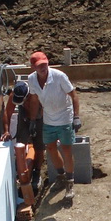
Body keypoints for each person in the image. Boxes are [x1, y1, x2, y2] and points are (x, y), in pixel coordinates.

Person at [27, 51, 81, 190]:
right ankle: (61, 175)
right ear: (33, 67)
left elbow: (73, 96)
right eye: (39, 66)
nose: (43, 68)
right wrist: (33, 120)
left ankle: (70, 181)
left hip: (64, 117)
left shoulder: (59, 76)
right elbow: (33, 99)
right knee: (50, 148)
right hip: (49, 119)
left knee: (66, 149)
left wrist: (76, 117)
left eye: (45, 64)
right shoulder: (32, 79)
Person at [1, 80, 44, 193]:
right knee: (20, 144)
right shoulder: (14, 94)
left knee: (39, 147)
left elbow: (47, 111)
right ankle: (19, 171)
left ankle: (37, 172)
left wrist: (35, 123)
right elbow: (8, 113)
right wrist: (6, 131)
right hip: (24, 118)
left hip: (40, 118)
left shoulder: (37, 94)